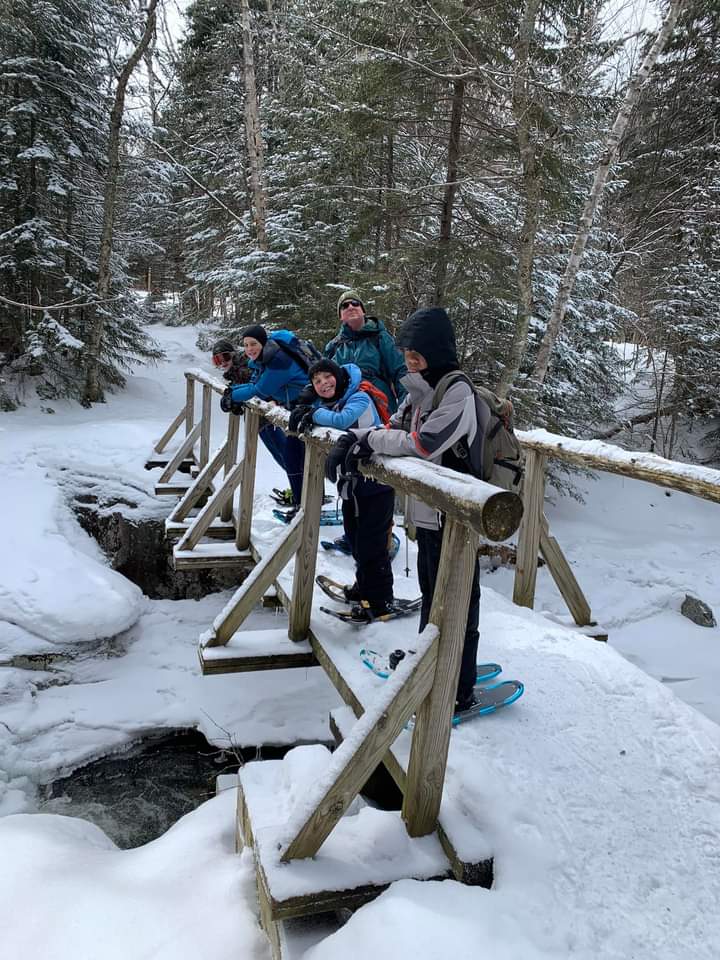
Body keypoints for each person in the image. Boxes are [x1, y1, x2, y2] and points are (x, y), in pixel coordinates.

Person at [327, 306, 483, 712]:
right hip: (430, 508)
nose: (410, 360)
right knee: (433, 593)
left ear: (435, 351)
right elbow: (392, 427)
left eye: (416, 354)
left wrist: (373, 442)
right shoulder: (417, 389)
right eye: (407, 353)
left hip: (458, 513)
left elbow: (425, 442)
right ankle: (425, 662)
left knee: (458, 598)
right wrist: (356, 439)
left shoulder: (457, 390)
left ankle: (457, 687)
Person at [289, 358, 396, 620]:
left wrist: (312, 412)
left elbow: (342, 420)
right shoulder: (333, 400)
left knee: (373, 544)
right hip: (354, 484)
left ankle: (380, 600)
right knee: (356, 538)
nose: (323, 383)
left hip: (377, 483)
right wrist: (306, 406)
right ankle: (364, 587)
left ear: (338, 376)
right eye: (317, 381)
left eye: (327, 377)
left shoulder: (359, 397)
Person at [229, 325, 309, 508]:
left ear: (263, 343)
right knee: (293, 456)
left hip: (308, 407)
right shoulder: (265, 359)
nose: (249, 349)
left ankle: (304, 504)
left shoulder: (279, 362)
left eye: (254, 344)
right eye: (246, 345)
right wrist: (230, 392)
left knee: (293, 456)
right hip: (296, 409)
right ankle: (304, 500)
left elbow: (259, 390)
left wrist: (231, 396)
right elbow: (253, 383)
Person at [325, 290, 408, 414]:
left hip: (379, 407)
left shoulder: (380, 337)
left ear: (363, 311)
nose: (351, 307)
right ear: (341, 316)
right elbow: (321, 379)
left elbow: (401, 371)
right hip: (343, 409)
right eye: (345, 306)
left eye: (355, 303)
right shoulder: (334, 346)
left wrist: (405, 410)